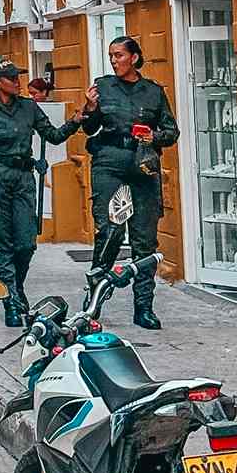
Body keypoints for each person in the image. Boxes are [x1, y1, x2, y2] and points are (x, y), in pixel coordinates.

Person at [0, 61, 86, 327]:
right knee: (2, 243)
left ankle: (15, 288)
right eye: (11, 77)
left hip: (23, 178)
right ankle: (10, 301)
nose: (17, 81)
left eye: (17, 76)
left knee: (25, 243)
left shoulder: (29, 107)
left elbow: (53, 136)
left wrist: (75, 122)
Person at [81, 37, 180, 330]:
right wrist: (89, 107)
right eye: (111, 55)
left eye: (119, 55)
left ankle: (144, 308)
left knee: (144, 240)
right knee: (109, 232)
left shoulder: (153, 92)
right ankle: (93, 303)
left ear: (135, 58)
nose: (114, 60)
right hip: (109, 163)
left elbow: (171, 131)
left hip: (143, 165)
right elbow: (88, 127)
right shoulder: (103, 86)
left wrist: (155, 136)